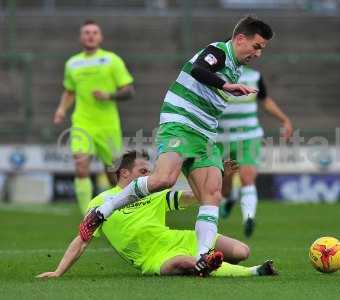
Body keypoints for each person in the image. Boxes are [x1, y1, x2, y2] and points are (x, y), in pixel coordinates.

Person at [79, 16, 274, 275]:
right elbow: (199, 70)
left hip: (204, 134)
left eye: (262, 49)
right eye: (257, 46)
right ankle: (103, 211)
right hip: (180, 123)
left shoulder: (236, 67)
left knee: (212, 193)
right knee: (163, 179)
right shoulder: (218, 52)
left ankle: (203, 257)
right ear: (240, 39)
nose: (258, 53)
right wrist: (226, 85)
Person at [36, 151, 278, 278]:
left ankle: (207, 264)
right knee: (185, 261)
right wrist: (59, 271)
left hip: (178, 239)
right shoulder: (101, 202)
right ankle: (254, 272)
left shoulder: (154, 193)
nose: (149, 176)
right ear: (124, 174)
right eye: (143, 170)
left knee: (241, 251)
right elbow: (82, 239)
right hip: (153, 258)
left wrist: (217, 177)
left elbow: (197, 197)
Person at [53, 20, 134, 214]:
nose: (90, 35)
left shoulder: (111, 60)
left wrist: (109, 95)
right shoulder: (72, 63)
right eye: (86, 32)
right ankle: (86, 217)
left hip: (108, 125)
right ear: (81, 37)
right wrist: (61, 109)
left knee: (113, 173)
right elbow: (70, 91)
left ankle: (120, 212)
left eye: (94, 32)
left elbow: (129, 90)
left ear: (100, 37)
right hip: (82, 122)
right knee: (81, 164)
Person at [217, 66, 293, 237]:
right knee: (225, 185)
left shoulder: (254, 76)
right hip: (220, 139)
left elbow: (265, 100)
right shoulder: (216, 76)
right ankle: (229, 199)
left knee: (247, 177)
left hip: (249, 136)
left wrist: (284, 120)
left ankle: (248, 218)